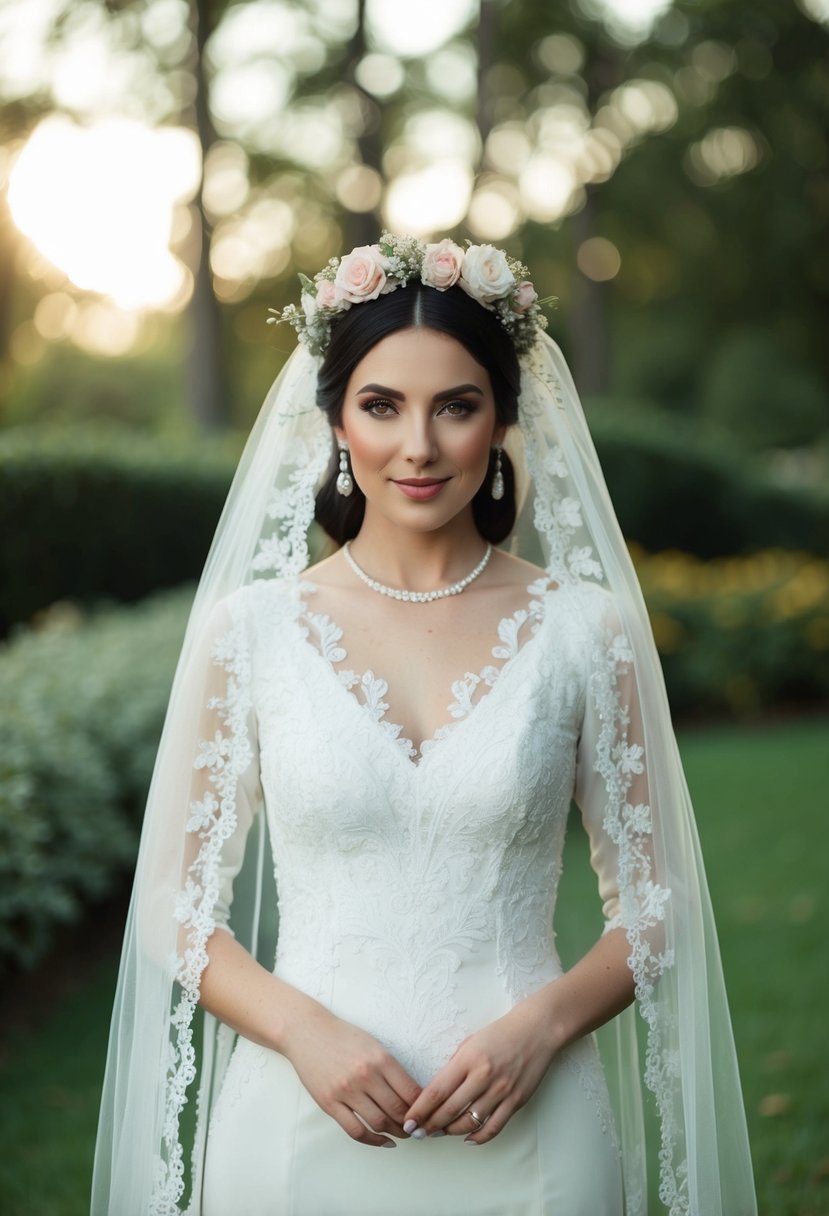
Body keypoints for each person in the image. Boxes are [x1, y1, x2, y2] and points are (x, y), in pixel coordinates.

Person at [92, 235, 756, 1215]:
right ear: (335, 422)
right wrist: (301, 1031)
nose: (419, 445)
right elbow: (174, 907)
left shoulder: (585, 629)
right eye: (381, 405)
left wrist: (538, 1028)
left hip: (529, 1129)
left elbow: (656, 905)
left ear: (500, 420)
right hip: (294, 1130)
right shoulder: (252, 632)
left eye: (456, 405)